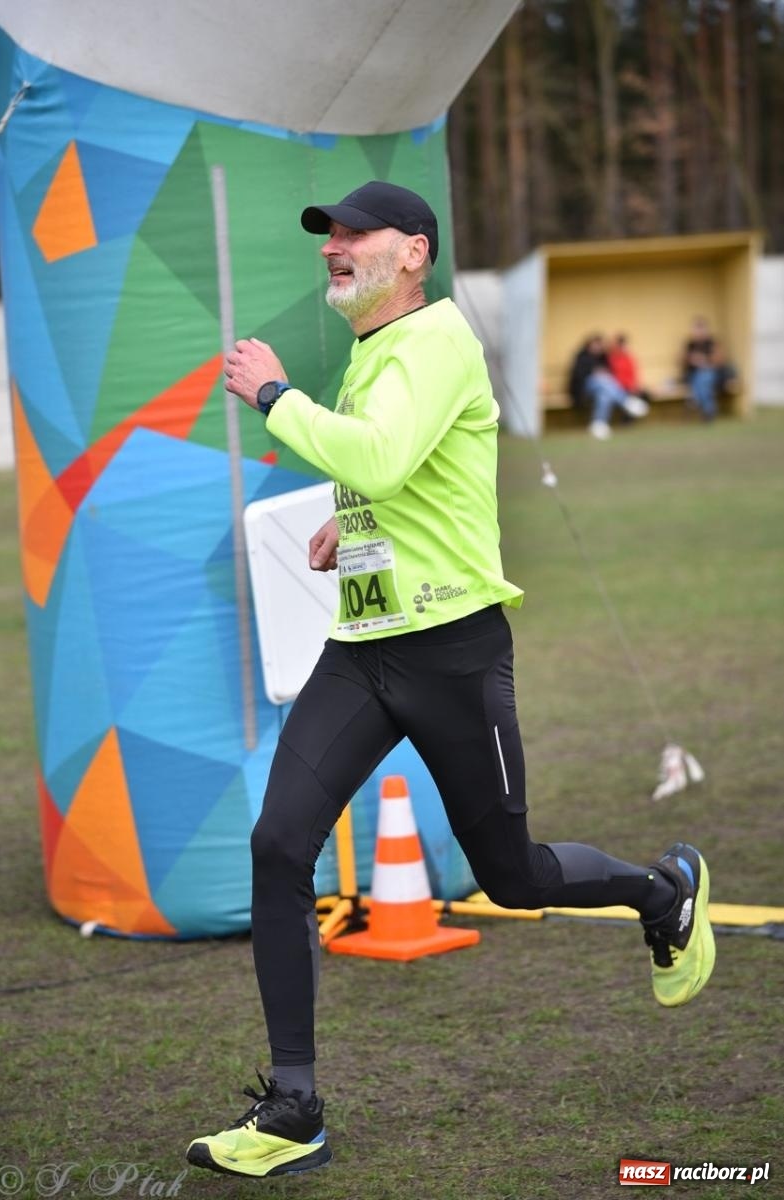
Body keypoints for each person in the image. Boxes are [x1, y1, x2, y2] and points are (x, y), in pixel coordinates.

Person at [186, 181, 716, 1180]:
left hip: (454, 655)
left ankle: (662, 892)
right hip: (364, 650)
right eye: (327, 237)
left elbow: (384, 455)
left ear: (416, 253)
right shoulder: (374, 351)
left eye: (355, 234)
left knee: (512, 878)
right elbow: (397, 476)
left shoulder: (438, 340)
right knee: (278, 842)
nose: (335, 248)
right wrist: (348, 523)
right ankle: (295, 1107)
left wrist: (272, 393)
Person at [568, 333, 649, 440]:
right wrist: (594, 373)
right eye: (595, 344)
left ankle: (599, 424)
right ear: (589, 344)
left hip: (602, 389)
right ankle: (626, 401)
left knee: (604, 395)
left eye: (599, 344)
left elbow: (613, 373)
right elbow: (578, 377)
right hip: (584, 390)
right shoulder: (582, 357)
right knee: (601, 380)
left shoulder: (604, 357)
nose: (597, 347)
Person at [683, 316, 737, 421]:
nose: (697, 332)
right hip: (693, 375)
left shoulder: (712, 343)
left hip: (712, 374)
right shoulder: (690, 344)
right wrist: (691, 359)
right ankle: (708, 409)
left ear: (705, 330)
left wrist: (704, 360)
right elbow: (681, 361)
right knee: (700, 380)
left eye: (700, 329)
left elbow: (720, 361)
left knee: (703, 378)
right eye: (695, 329)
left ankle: (698, 401)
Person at [608, 332, 651, 404]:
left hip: (629, 387)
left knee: (645, 395)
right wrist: (629, 386)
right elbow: (614, 377)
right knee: (630, 399)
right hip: (620, 388)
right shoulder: (611, 358)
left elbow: (633, 374)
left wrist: (634, 386)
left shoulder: (628, 357)